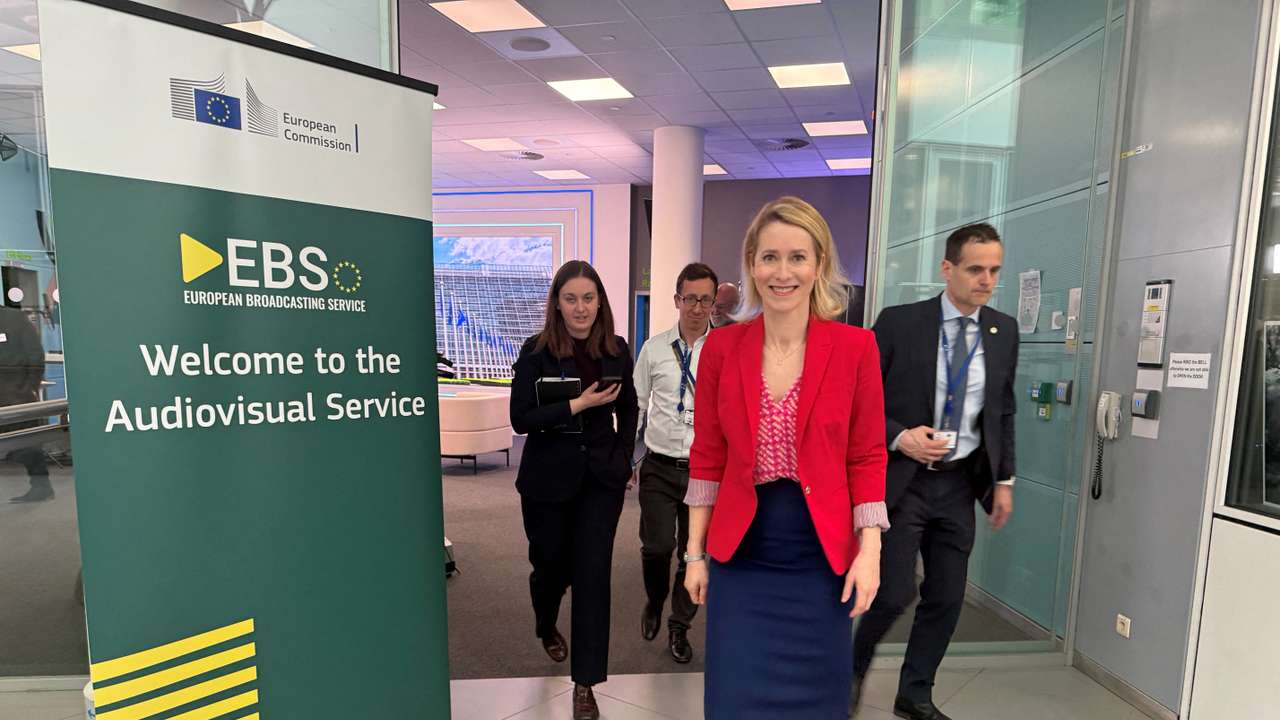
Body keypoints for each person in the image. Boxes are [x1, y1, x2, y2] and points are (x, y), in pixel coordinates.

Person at [683, 197, 889, 719]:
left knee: (817, 704)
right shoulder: (723, 351)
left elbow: (866, 457)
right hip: (743, 558)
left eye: (798, 257)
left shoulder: (855, 348)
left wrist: (871, 552)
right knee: (736, 701)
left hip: (820, 561)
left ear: (819, 264)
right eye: (770, 257)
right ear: (752, 263)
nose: (783, 272)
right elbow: (707, 458)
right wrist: (693, 554)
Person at [850, 222, 1018, 720]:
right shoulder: (900, 323)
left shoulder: (1002, 330)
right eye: (975, 269)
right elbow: (861, 400)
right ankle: (851, 670)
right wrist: (901, 436)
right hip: (904, 481)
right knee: (893, 590)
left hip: (960, 482)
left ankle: (915, 692)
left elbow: (1002, 411)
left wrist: (1003, 481)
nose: (986, 280)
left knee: (946, 595)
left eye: (994, 270)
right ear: (947, 268)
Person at [510, 260, 639, 720]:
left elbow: (629, 410)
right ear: (557, 304)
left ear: (600, 301)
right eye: (571, 299)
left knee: (591, 578)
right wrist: (577, 404)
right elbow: (520, 419)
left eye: (588, 298)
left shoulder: (617, 350)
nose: (580, 308)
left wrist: (624, 459)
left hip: (600, 483)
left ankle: (585, 685)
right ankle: (545, 621)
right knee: (550, 570)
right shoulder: (536, 351)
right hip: (546, 482)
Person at [632, 261, 717, 664]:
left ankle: (679, 627)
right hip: (659, 466)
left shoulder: (726, 349)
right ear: (676, 300)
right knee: (657, 546)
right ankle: (653, 598)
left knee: (693, 552)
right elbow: (637, 405)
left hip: (704, 472)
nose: (697, 308)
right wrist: (628, 460)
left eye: (705, 299)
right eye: (690, 298)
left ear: (714, 302)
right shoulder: (653, 349)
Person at [0, 306, 51, 503]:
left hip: (16, 397)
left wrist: (30, 387)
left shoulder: (13, 318)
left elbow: (35, 354)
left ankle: (41, 486)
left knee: (26, 444)